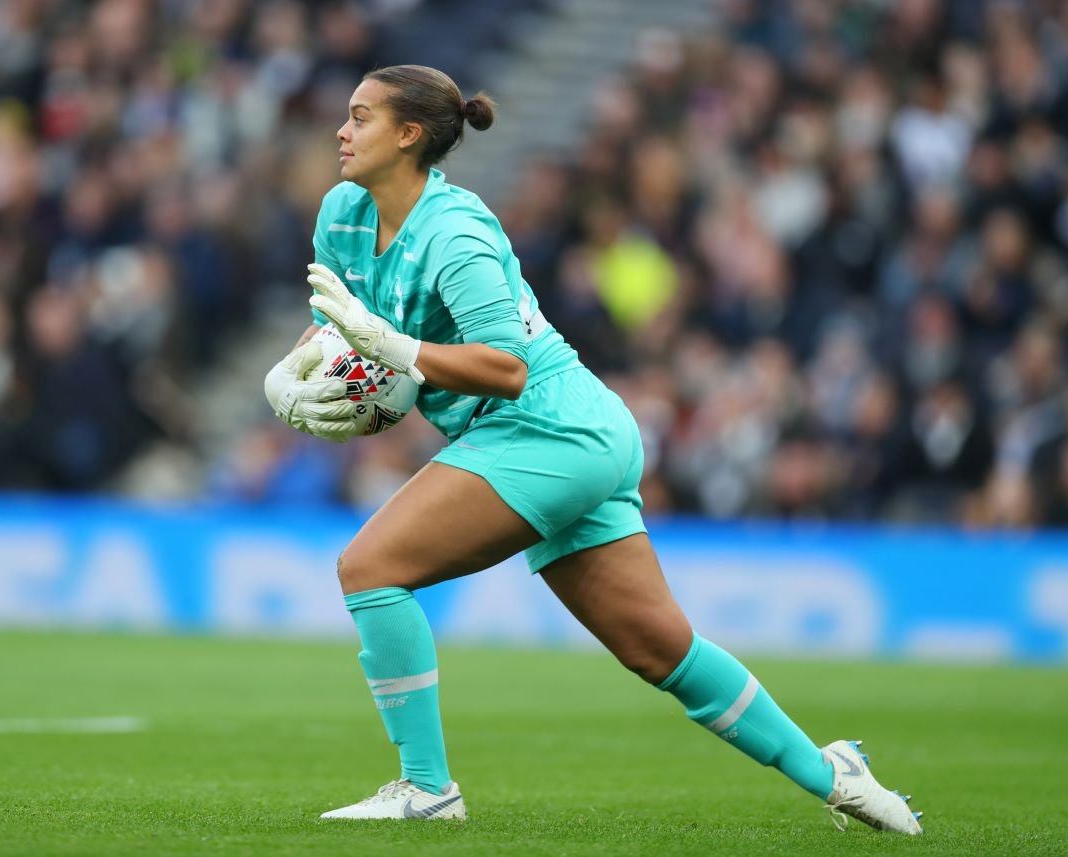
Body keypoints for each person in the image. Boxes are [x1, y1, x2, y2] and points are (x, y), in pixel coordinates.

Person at [263, 64, 923, 833]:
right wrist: (302, 371)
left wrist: (395, 347)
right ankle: (831, 770)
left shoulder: (457, 231)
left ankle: (426, 787)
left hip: (547, 425)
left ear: (410, 135)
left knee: (370, 567)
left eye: (360, 116)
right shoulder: (341, 213)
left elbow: (504, 367)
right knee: (662, 652)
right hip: (562, 435)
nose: (342, 131)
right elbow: (353, 336)